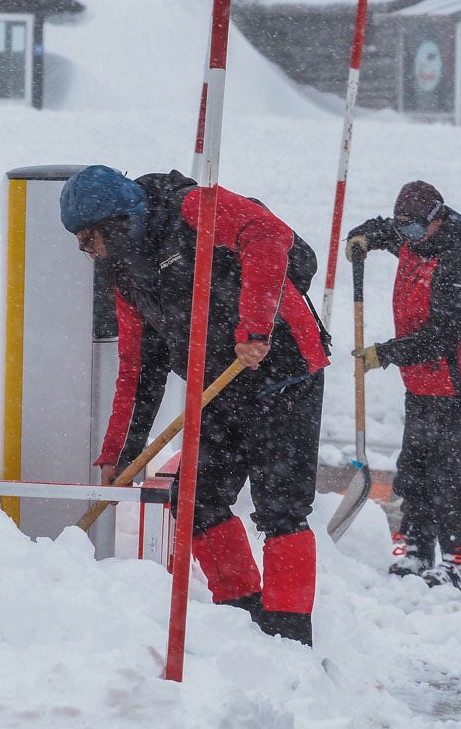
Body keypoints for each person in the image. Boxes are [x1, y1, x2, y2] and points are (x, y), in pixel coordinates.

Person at [59, 165, 329, 645]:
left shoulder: (188, 207)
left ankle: (290, 634)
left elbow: (269, 234)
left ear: (117, 221)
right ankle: (241, 615)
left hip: (281, 365)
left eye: (89, 239)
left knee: (280, 504)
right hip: (219, 381)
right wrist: (119, 452)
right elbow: (138, 365)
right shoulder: (124, 272)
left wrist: (254, 327)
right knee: (194, 496)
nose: (89, 252)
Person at [345, 180, 461, 598]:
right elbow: (382, 229)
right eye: (401, 230)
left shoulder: (457, 263)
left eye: (412, 230)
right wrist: (363, 239)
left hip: (457, 380)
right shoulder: (412, 239)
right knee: (414, 466)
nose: (405, 238)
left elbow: (443, 337)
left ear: (437, 219)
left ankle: (460, 564)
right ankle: (417, 550)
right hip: (423, 379)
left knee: (444, 471)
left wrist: (385, 353)